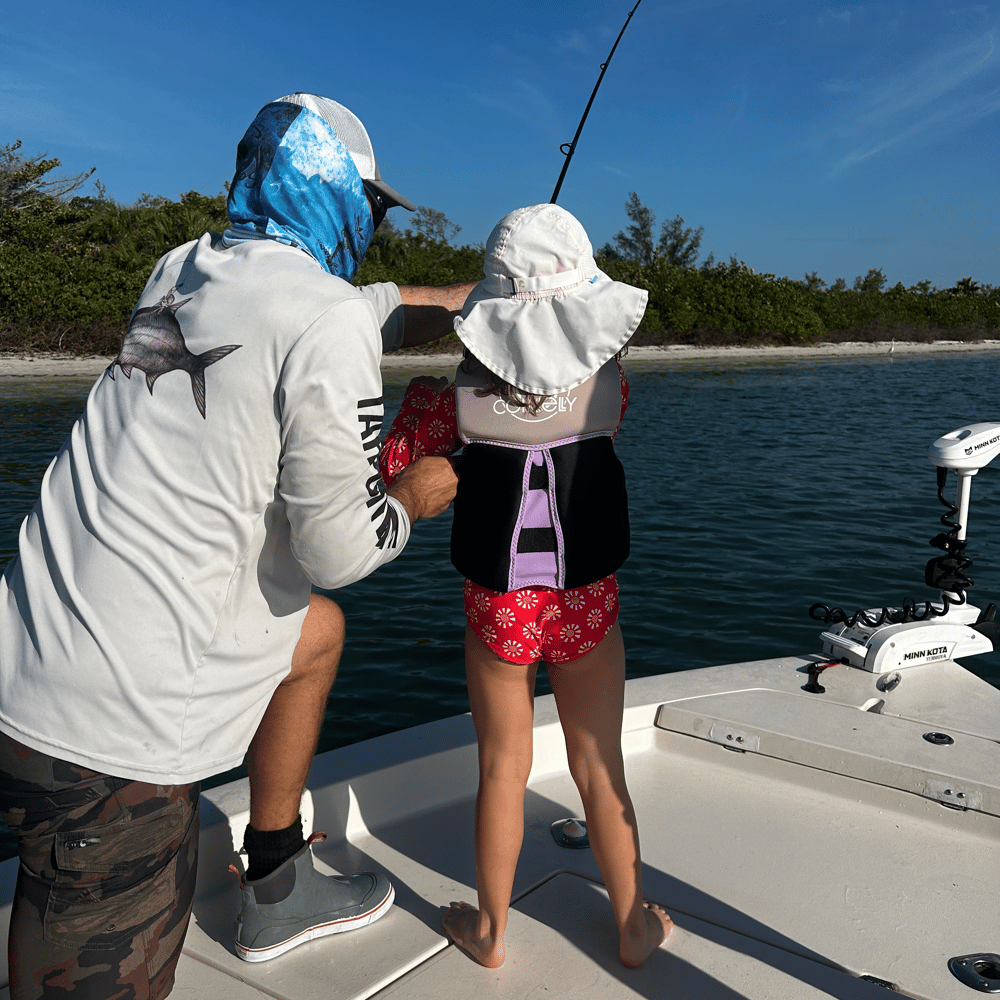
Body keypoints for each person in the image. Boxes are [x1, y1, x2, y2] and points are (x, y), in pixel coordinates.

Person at [0, 93, 473, 999]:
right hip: (109, 741)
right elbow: (337, 549)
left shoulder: (182, 270)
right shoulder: (324, 322)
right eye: (369, 207)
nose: (370, 227)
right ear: (336, 196)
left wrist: (466, 302)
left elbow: (359, 308)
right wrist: (414, 497)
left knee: (315, 633)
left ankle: (276, 878)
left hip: (24, 651)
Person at [378, 203, 674, 970]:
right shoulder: (610, 384)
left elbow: (398, 457)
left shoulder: (457, 401)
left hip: (499, 604)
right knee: (596, 760)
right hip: (585, 601)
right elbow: (592, 410)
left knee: (502, 768)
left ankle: (490, 932)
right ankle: (634, 928)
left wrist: (424, 401)